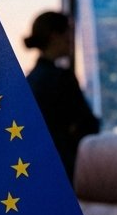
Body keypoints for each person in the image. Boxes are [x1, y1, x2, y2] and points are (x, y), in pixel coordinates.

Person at [23, 10, 99, 182]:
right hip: (64, 167)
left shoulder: (29, 81)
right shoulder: (62, 78)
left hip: (35, 166)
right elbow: (88, 125)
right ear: (55, 36)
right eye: (68, 32)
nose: (71, 39)